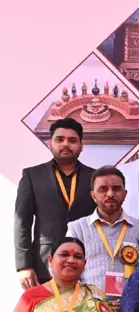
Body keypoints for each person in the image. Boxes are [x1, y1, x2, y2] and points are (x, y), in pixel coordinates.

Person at [15, 117, 94, 288]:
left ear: (81, 145)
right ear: (50, 144)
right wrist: (24, 265)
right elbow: (22, 221)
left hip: (86, 263)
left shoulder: (95, 177)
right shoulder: (32, 176)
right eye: (59, 139)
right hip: (43, 264)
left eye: (72, 140)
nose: (65, 144)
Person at [65, 166, 139, 298]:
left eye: (116, 189)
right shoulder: (77, 228)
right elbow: (68, 271)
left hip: (131, 306)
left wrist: (132, 302)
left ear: (125, 194)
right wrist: (88, 302)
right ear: (93, 195)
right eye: (103, 189)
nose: (110, 194)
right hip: (89, 305)